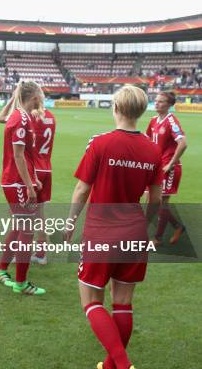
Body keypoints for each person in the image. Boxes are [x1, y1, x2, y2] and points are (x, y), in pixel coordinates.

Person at [64, 86, 162, 369]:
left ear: (115, 108)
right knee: (123, 302)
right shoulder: (153, 149)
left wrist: (70, 222)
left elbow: (82, 189)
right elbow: (155, 198)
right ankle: (111, 365)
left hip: (101, 231)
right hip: (134, 231)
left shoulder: (100, 143)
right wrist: (146, 224)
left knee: (92, 301)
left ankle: (122, 364)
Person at [0, 80, 46, 295]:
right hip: (16, 182)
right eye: (41, 97)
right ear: (34, 97)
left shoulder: (18, 116)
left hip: (18, 180)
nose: (42, 100)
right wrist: (29, 187)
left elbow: (25, 154)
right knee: (27, 231)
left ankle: (0, 270)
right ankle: (21, 283)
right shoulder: (21, 118)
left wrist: (34, 178)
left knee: (18, 227)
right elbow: (17, 156)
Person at [0, 90, 56, 265]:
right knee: (40, 214)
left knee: (21, 219)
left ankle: (16, 255)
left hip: (31, 169)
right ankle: (41, 253)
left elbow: (1, 119)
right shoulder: (51, 116)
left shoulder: (28, 116)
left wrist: (13, 99)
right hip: (47, 167)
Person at [145, 91, 187, 245]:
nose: (156, 103)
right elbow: (147, 141)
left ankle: (157, 238)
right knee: (152, 201)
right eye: (156, 100)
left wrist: (171, 164)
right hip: (156, 168)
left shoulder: (171, 121)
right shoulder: (153, 121)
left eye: (161, 101)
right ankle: (178, 227)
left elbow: (183, 143)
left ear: (169, 105)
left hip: (169, 169)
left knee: (161, 202)